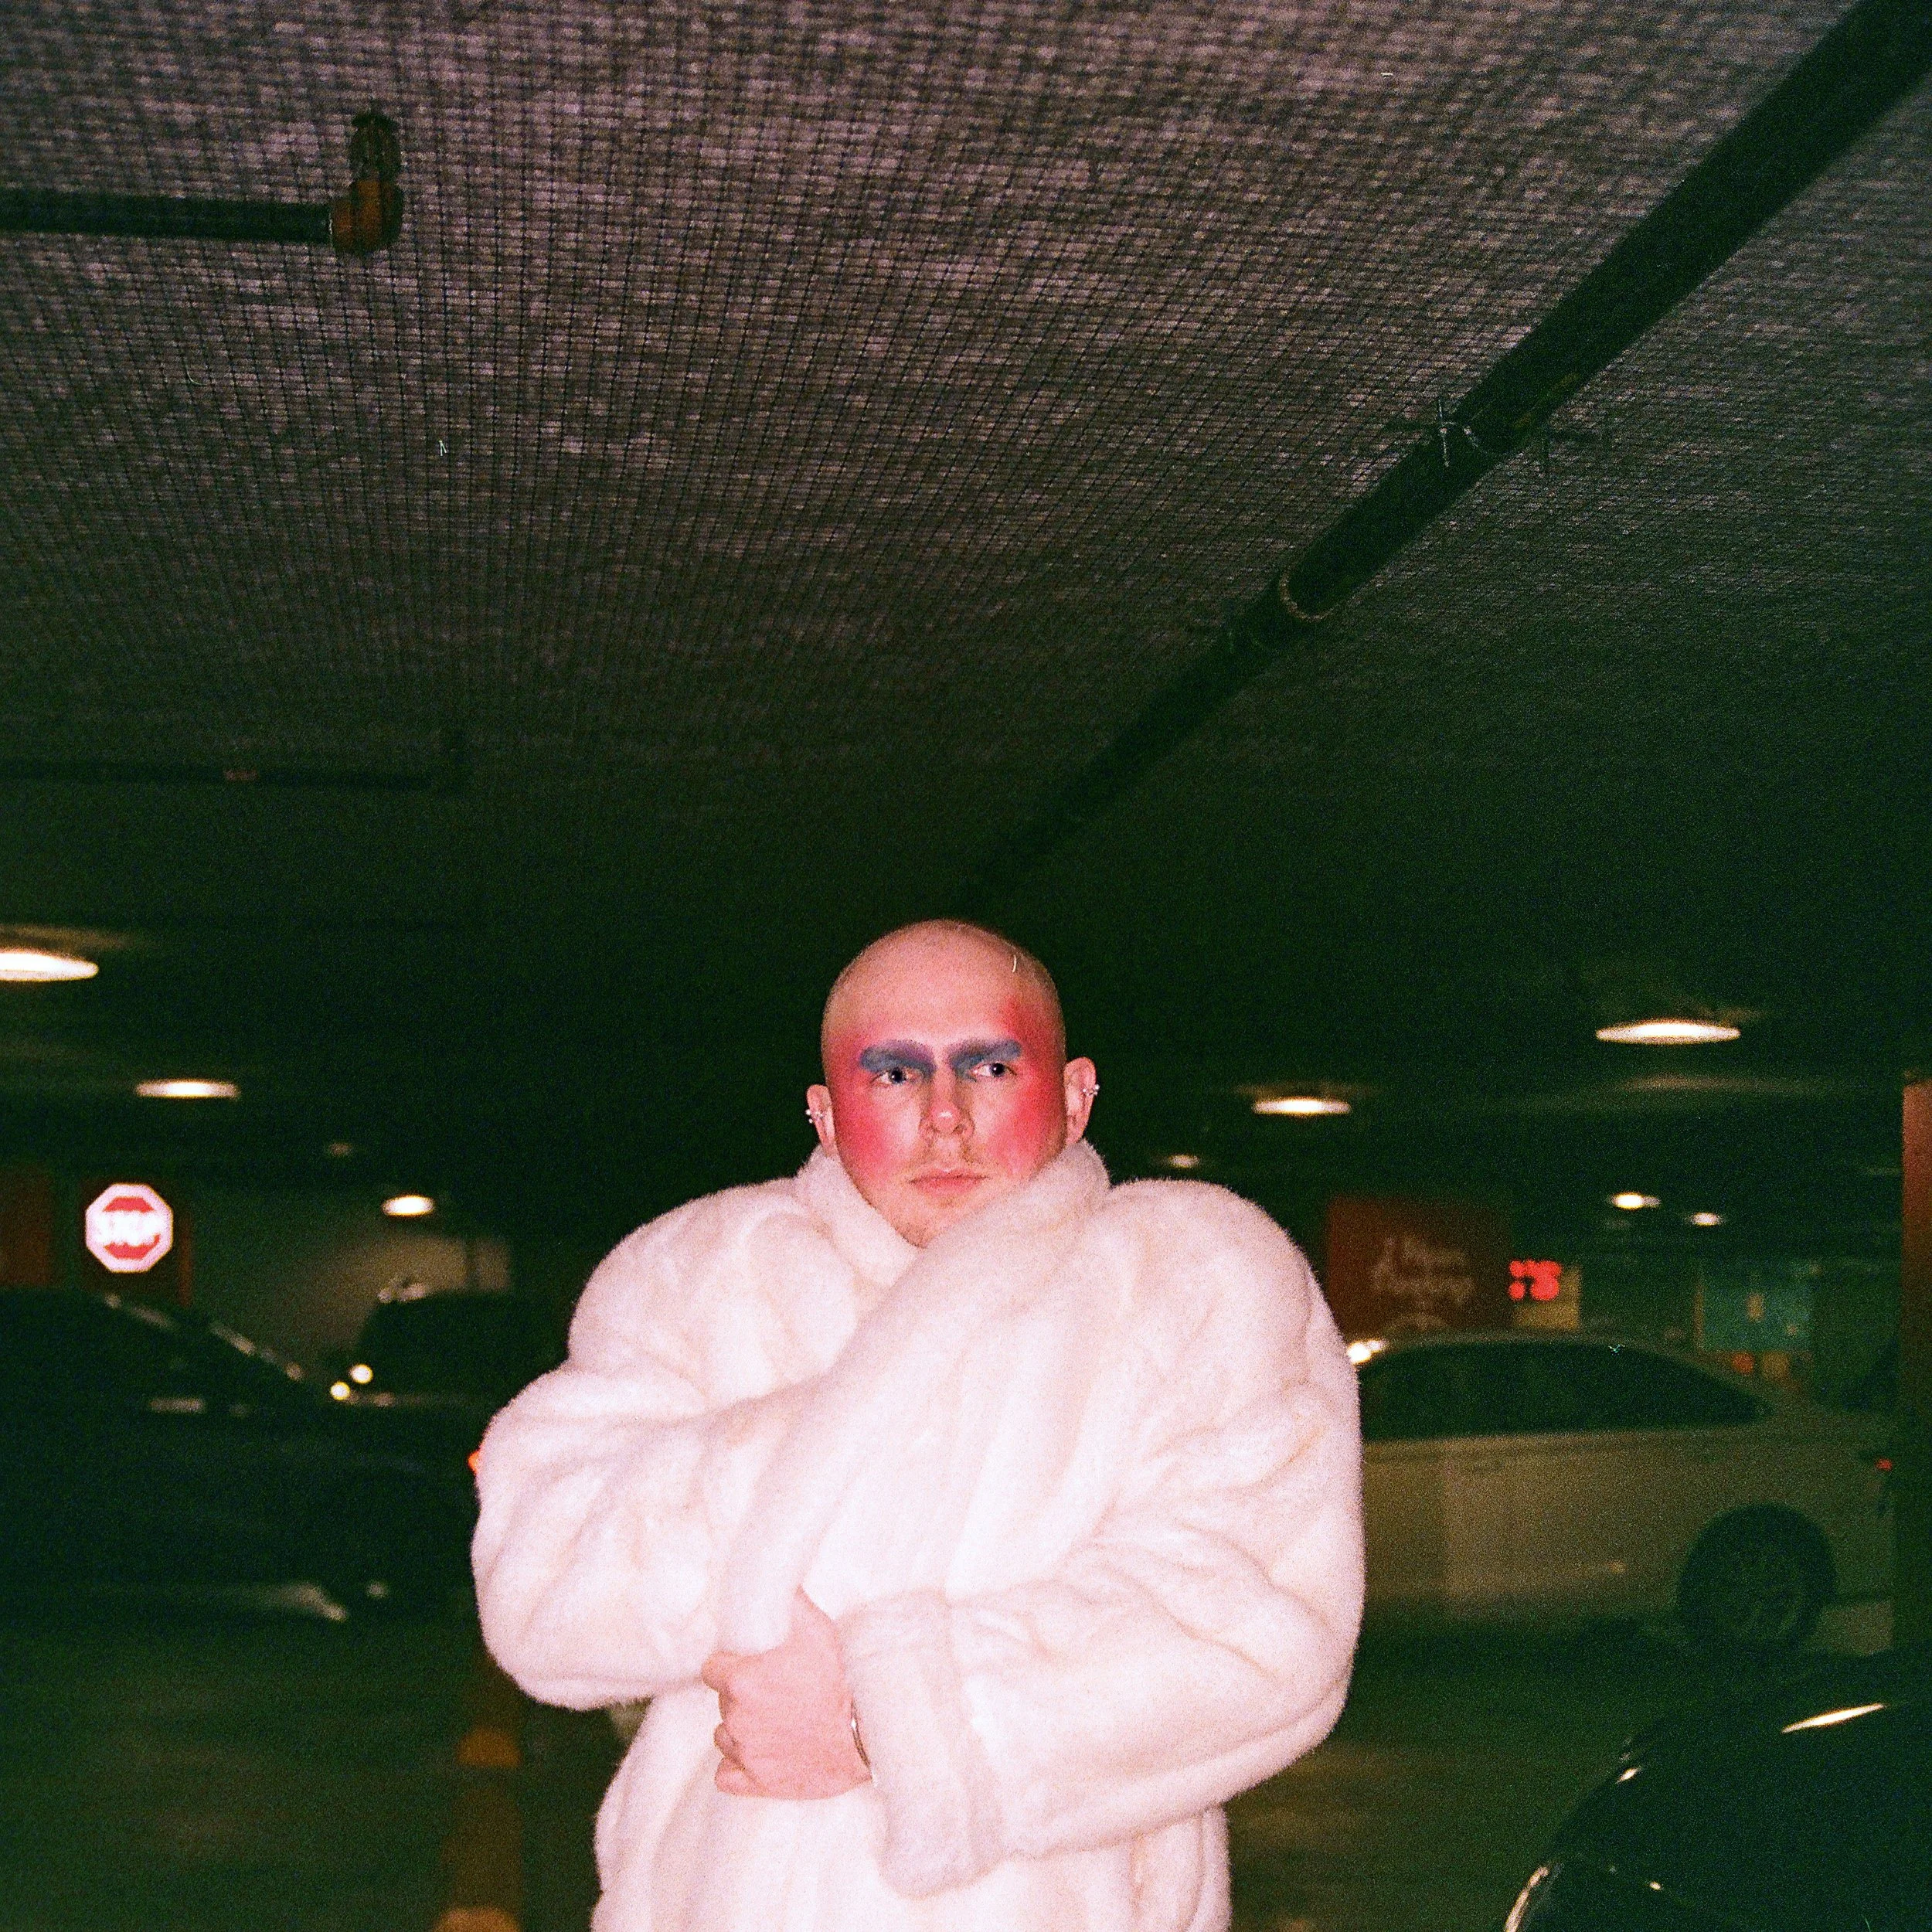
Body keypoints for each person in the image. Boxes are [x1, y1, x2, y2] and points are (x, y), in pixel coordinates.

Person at [473, 920, 1362, 1932]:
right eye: (892, 1076)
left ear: (1075, 1096)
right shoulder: (697, 1277)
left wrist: (882, 1720)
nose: (946, 1120)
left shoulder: (1193, 1281)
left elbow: (1259, 1625)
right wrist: (832, 1441)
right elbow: (541, 1589)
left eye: (989, 1066)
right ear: (823, 1113)